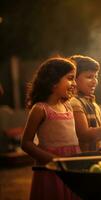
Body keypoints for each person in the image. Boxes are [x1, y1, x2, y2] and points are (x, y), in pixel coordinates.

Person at [21, 57, 81, 200]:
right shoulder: (40, 109)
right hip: (51, 168)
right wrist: (53, 160)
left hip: (71, 163)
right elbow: (26, 143)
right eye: (70, 78)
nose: (74, 83)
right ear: (53, 81)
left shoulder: (68, 106)